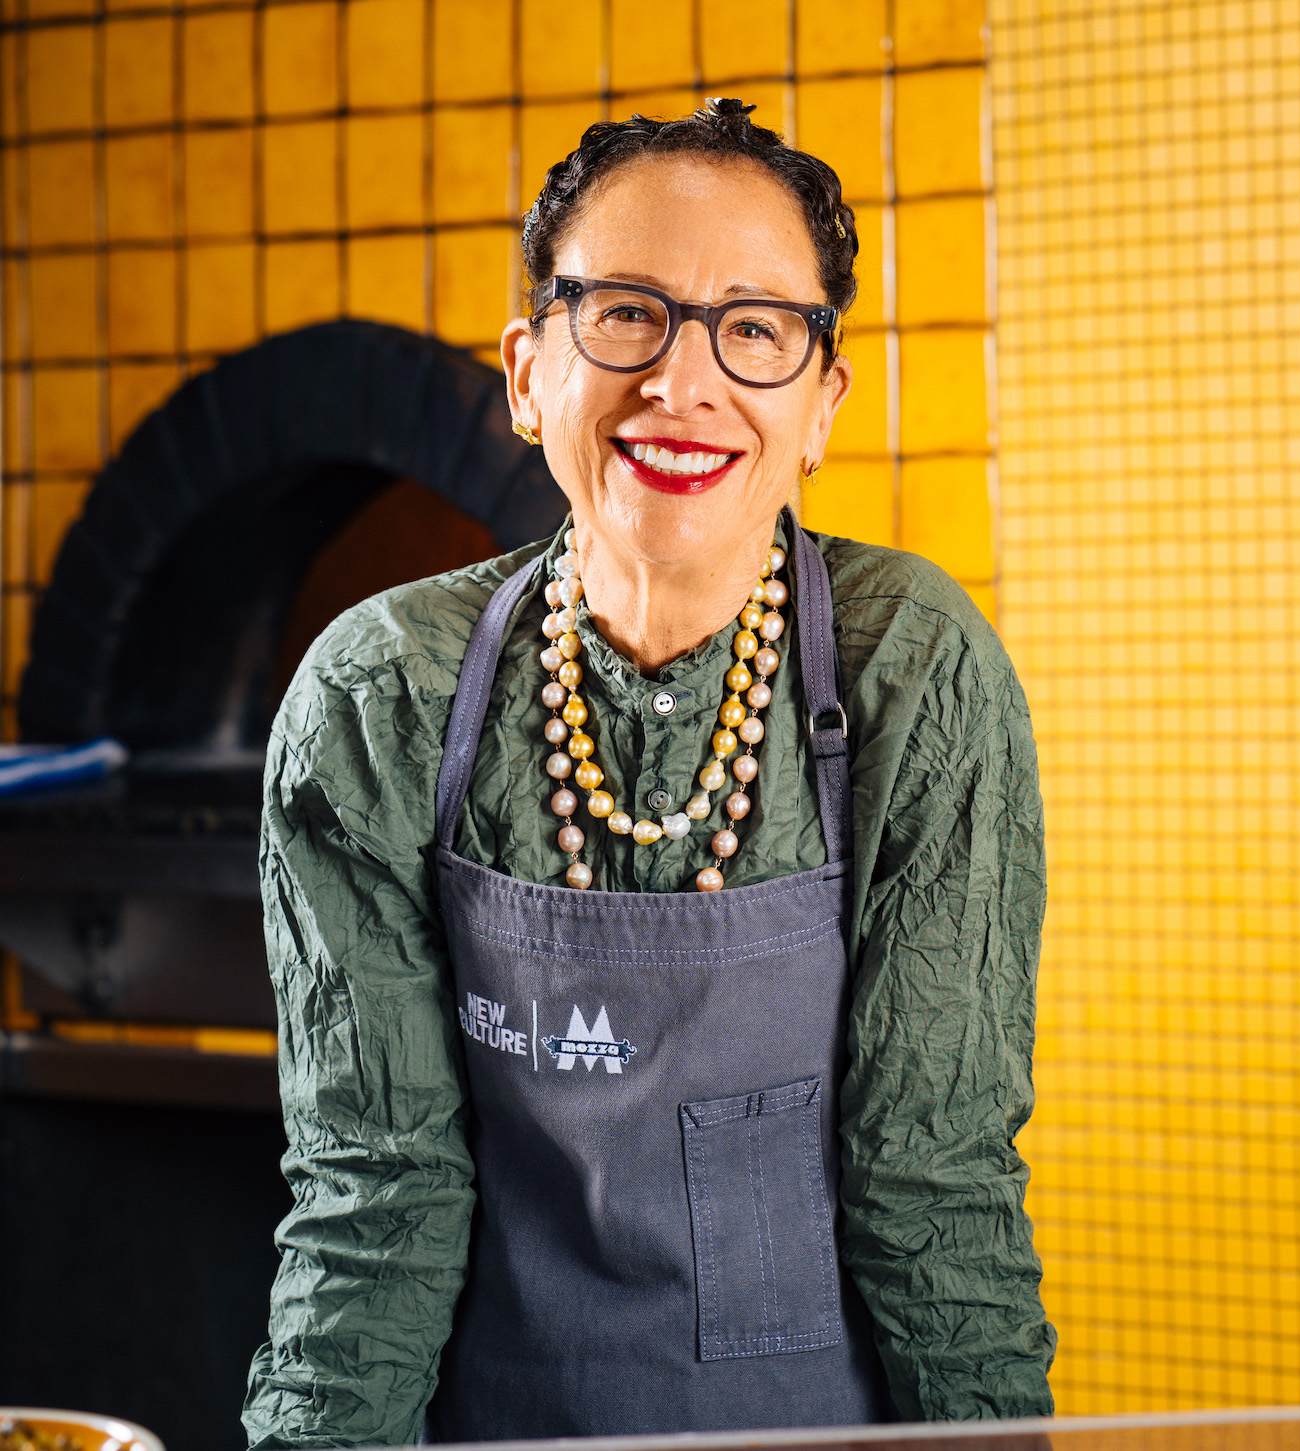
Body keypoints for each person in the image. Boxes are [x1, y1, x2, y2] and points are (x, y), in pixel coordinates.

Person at [243, 98, 1054, 1448]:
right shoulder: (381, 693)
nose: (685, 382)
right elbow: (372, 1195)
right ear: (526, 372)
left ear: (820, 406)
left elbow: (937, 1183)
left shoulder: (912, 664)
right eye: (626, 312)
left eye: (755, 329)